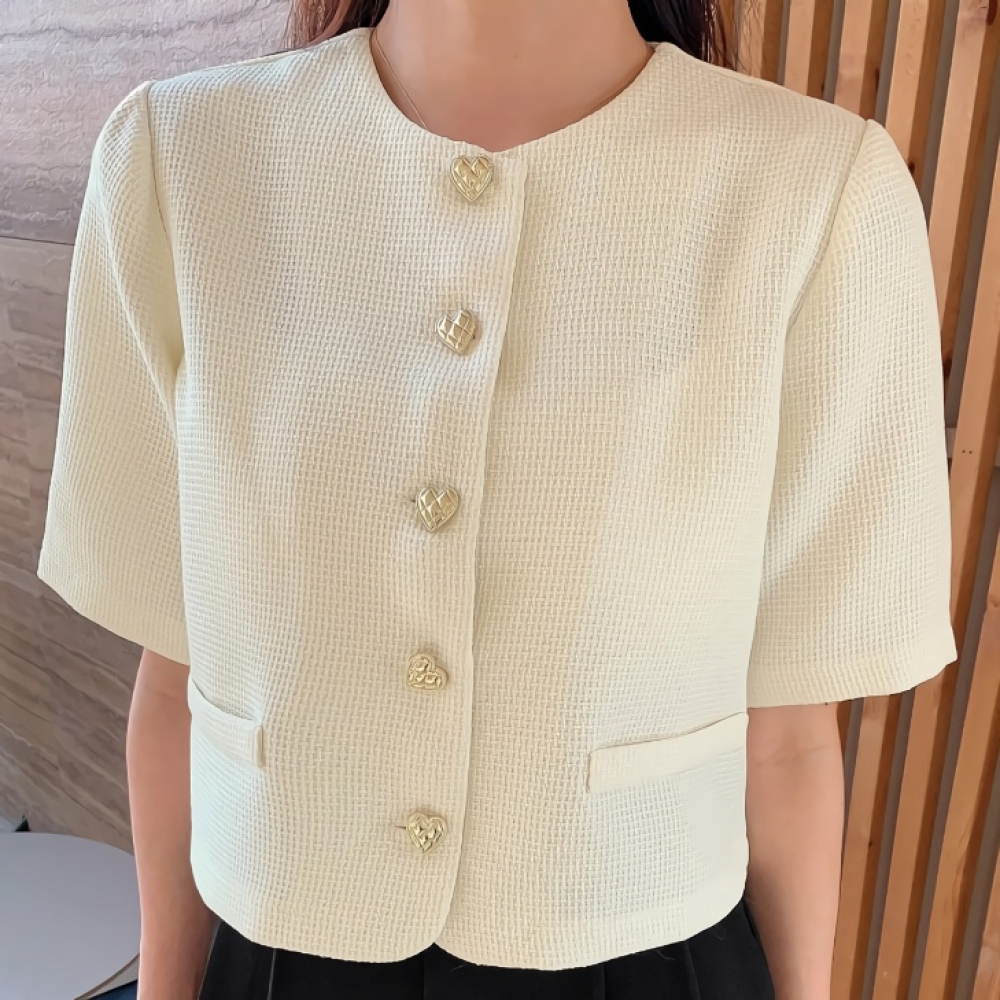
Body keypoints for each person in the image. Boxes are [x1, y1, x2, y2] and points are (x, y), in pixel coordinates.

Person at [35, 0, 958, 997]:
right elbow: (175, 678)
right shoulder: (180, 162)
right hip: (279, 950)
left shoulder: (817, 195)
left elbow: (787, 740)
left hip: (650, 957)